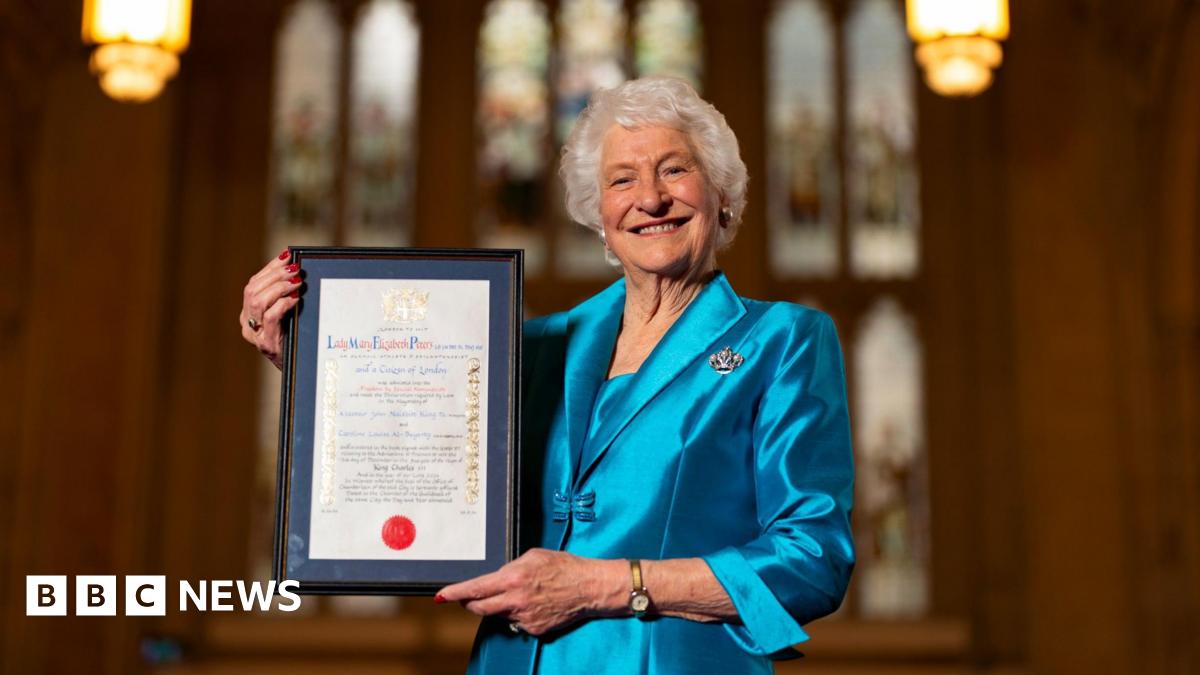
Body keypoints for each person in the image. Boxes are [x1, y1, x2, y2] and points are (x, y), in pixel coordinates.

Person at [240, 77, 854, 674]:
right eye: (622, 179)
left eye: (674, 169)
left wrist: (608, 585)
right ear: (600, 216)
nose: (650, 198)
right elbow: (419, 468)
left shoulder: (783, 340)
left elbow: (812, 559)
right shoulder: (530, 346)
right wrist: (313, 367)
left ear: (722, 197)